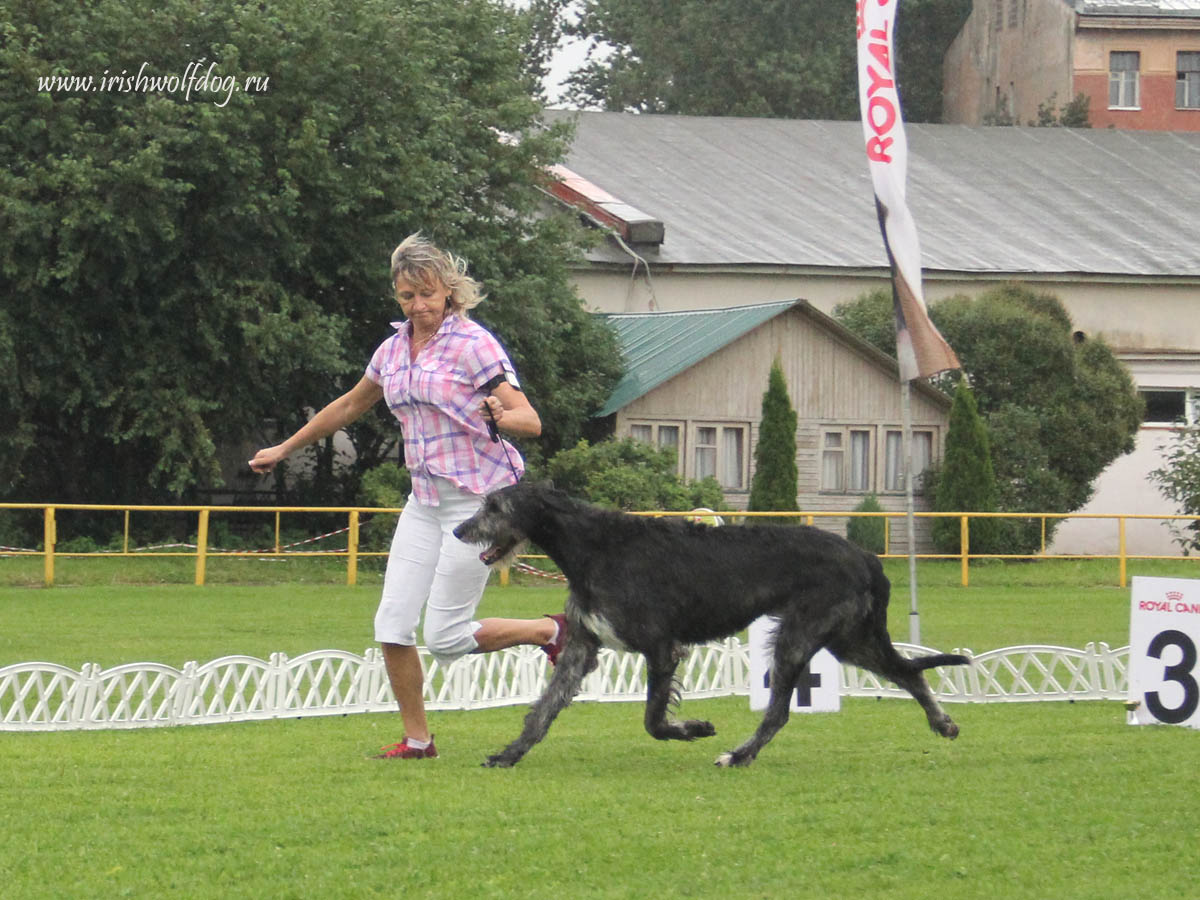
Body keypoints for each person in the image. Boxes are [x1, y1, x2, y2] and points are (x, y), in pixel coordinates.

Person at [249, 233, 566, 760]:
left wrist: (500, 416)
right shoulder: (393, 349)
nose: (418, 306)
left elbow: (529, 420)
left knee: (444, 638)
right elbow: (350, 405)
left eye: (427, 294)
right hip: (425, 501)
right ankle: (418, 741)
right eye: (406, 296)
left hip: (481, 504)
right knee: (392, 624)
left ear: (448, 290)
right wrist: (284, 448)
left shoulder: (473, 344)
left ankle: (550, 630)